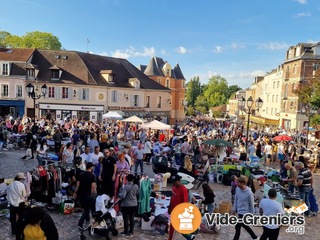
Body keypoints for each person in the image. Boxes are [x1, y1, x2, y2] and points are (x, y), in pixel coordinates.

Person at [73, 162, 97, 230]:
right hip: (89, 195)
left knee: (87, 208)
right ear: (91, 167)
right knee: (88, 210)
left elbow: (77, 185)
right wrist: (92, 195)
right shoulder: (93, 176)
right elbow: (93, 187)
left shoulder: (81, 174)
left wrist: (75, 192)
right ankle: (80, 223)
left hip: (82, 194)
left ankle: (88, 220)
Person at [167, 174, 189, 240]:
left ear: (178, 181)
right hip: (173, 210)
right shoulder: (174, 187)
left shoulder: (183, 190)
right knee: (172, 227)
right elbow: (172, 197)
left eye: (174, 182)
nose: (173, 183)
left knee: (175, 228)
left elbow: (185, 203)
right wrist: (169, 207)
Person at [7, 172, 27, 239]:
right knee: (20, 219)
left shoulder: (10, 184)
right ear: (21, 179)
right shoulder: (21, 185)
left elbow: (8, 195)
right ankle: (20, 231)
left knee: (13, 219)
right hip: (19, 204)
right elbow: (24, 195)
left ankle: (13, 231)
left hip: (12, 204)